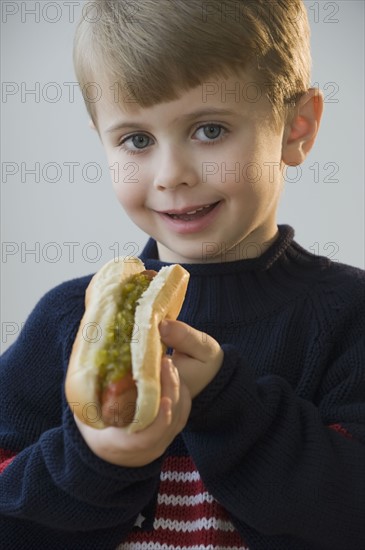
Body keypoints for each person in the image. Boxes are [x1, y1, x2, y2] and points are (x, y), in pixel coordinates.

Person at [0, 1, 364, 548]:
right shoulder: (65, 320)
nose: (172, 175)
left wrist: (229, 403)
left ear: (297, 129)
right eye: (137, 140)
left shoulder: (347, 315)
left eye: (210, 129)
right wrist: (96, 460)